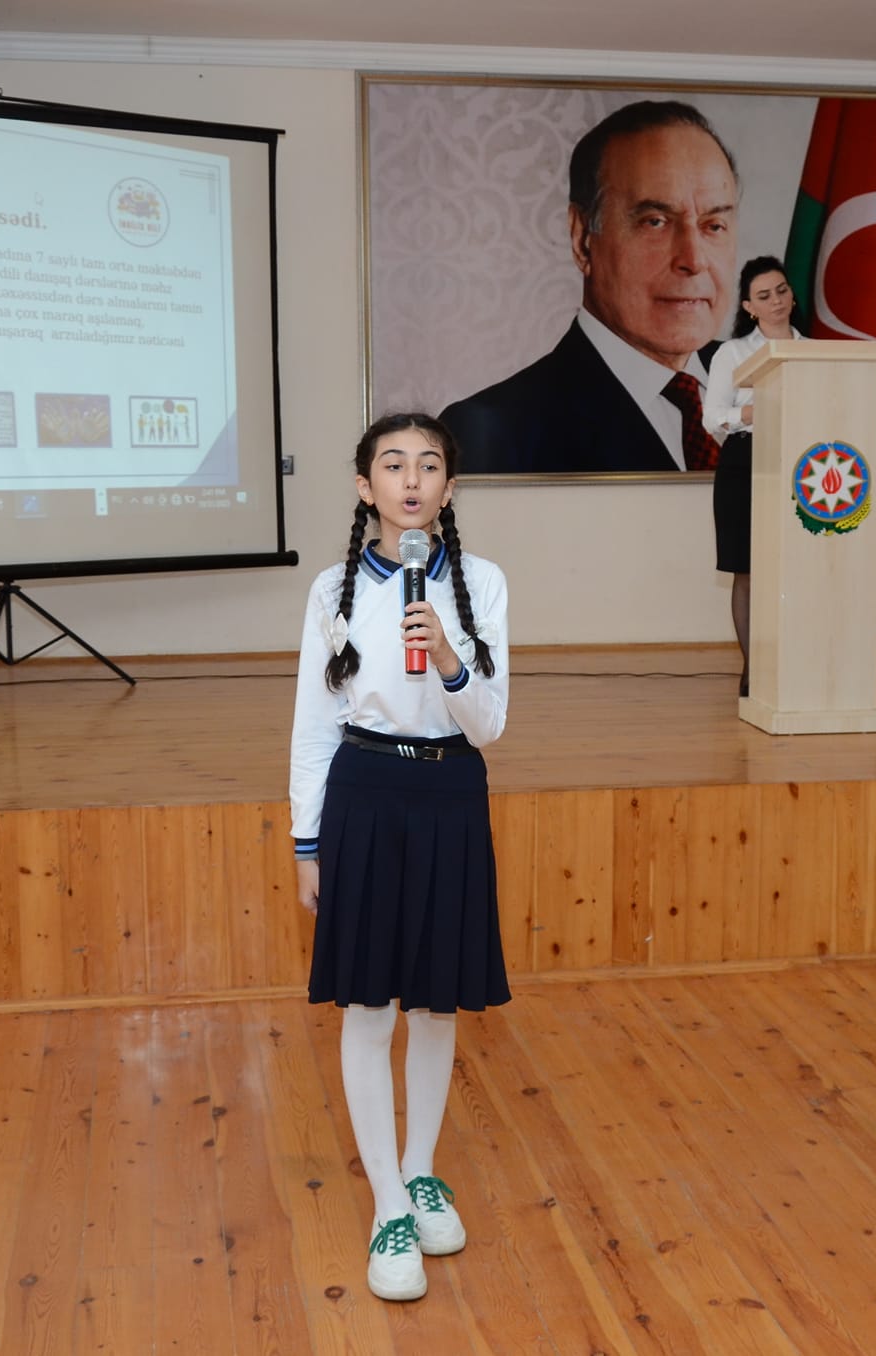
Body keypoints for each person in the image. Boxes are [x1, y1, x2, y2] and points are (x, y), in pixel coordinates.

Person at [289, 412, 511, 1302]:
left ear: (448, 489)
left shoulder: (481, 582)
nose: (411, 480)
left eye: (428, 466)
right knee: (371, 1004)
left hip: (451, 794)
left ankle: (420, 1171)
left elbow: (489, 724)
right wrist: (308, 842)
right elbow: (314, 725)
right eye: (393, 464)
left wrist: (451, 655)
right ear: (365, 485)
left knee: (435, 1003)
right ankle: (387, 1204)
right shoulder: (332, 589)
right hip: (366, 795)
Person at [441, 100, 738, 474]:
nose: (693, 260)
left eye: (714, 226)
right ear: (583, 239)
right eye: (655, 222)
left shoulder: (773, 386)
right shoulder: (492, 433)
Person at [702, 255, 801, 695]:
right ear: (748, 306)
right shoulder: (734, 352)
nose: (776, 301)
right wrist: (751, 412)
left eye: (781, 290)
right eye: (764, 295)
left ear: (792, 295)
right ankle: (753, 669)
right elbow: (712, 417)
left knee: (796, 565)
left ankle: (795, 662)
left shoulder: (813, 350)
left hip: (802, 463)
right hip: (746, 461)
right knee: (747, 570)